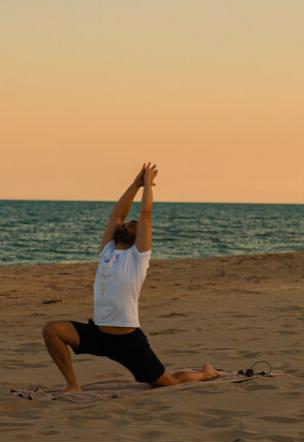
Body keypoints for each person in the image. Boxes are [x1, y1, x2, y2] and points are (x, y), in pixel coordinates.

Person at [42, 164, 219, 392]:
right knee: (52, 330)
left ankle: (206, 373)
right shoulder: (108, 250)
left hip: (128, 340)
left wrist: (147, 186)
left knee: (166, 382)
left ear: (139, 237)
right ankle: (73, 385)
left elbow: (145, 214)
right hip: (98, 334)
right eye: (126, 224)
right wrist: (135, 184)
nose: (126, 224)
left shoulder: (138, 257)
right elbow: (117, 214)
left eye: (132, 226)